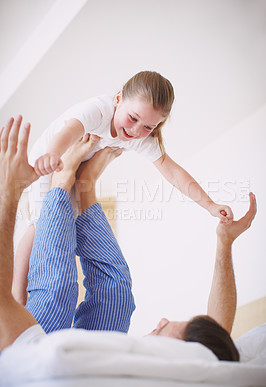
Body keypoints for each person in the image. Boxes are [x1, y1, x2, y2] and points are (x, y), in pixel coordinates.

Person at [0, 116, 256, 362]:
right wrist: (224, 242)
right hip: (104, 359)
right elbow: (217, 337)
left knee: (58, 291)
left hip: (61, 365)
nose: (162, 320)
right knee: (117, 293)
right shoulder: (206, 371)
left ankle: (62, 180)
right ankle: (86, 184)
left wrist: (9, 192)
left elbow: (7, 309)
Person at [12, 71, 234, 305]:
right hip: (49, 158)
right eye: (133, 118)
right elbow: (69, 131)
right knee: (41, 223)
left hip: (77, 167)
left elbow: (173, 172)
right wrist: (53, 154)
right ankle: (17, 292)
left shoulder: (140, 137)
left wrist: (210, 205)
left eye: (149, 127)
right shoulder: (98, 110)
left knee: (67, 225)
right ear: (118, 99)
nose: (137, 131)